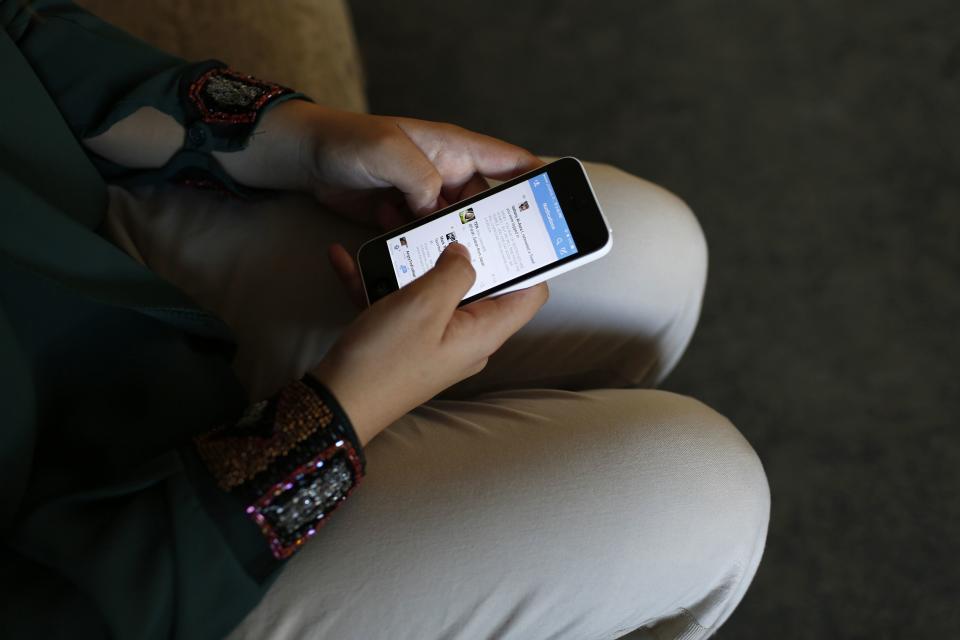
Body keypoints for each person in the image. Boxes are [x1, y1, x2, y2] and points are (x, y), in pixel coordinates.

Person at [0, 1, 770, 638]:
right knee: (699, 493)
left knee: (651, 253)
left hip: (91, 247)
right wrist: (336, 416)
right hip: (128, 564)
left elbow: (28, 36)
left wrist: (298, 138)